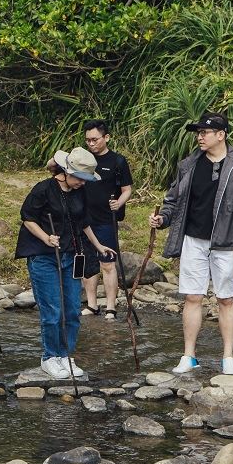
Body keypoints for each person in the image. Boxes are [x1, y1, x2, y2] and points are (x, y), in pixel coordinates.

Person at [149, 112, 233, 375]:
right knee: (193, 296)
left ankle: (228, 358)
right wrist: (162, 218)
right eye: (198, 132)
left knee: (226, 299)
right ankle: (189, 356)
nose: (199, 136)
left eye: (205, 132)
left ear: (221, 135)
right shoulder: (189, 164)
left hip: (228, 241)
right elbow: (173, 199)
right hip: (193, 239)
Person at [17, 148, 110, 382]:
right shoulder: (43, 189)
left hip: (71, 255)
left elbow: (84, 221)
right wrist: (45, 237)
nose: (81, 183)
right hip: (44, 257)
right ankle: (50, 357)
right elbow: (27, 217)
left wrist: (98, 246)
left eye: (85, 179)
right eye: (79, 177)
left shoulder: (80, 192)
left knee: (71, 310)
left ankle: (66, 355)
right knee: (52, 311)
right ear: (66, 172)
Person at [81, 120, 134, 319]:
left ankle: (111, 307)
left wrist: (118, 204)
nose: (91, 144)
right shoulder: (83, 159)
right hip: (84, 218)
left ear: (106, 138)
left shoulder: (117, 161)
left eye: (94, 139)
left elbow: (127, 190)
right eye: (87, 140)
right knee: (87, 262)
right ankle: (92, 304)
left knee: (107, 262)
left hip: (106, 219)